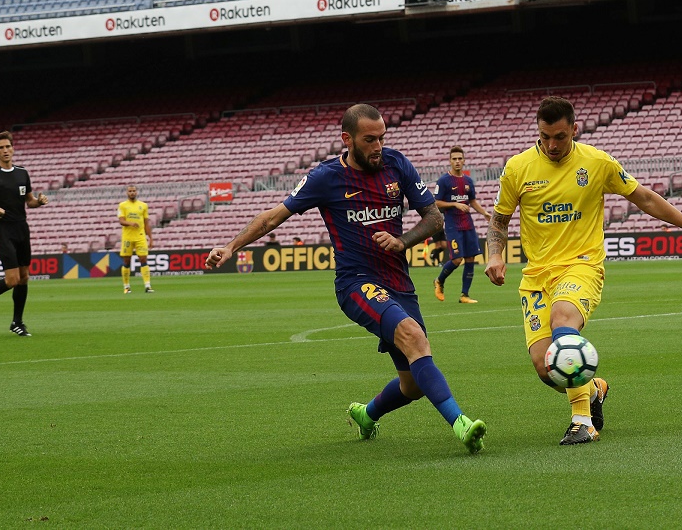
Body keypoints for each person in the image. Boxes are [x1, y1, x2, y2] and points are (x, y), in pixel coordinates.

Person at [205, 103, 486, 453]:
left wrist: (403, 241)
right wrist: (231, 246)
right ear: (347, 139)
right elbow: (273, 217)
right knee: (413, 336)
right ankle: (461, 424)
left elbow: (433, 218)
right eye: (369, 139)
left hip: (399, 283)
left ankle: (366, 414)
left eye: (381, 137)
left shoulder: (398, 165)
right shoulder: (326, 177)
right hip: (356, 282)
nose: (378, 146)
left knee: (413, 384)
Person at [485, 96, 682, 445]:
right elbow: (499, 220)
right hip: (536, 276)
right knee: (546, 368)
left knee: (562, 319)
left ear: (575, 128)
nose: (552, 145)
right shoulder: (517, 168)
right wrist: (494, 254)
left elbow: (644, 197)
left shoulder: (597, 162)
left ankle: (582, 421)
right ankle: (594, 389)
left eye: (560, 136)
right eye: (545, 137)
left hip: (581, 265)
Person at [0, 131, 48, 336]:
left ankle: (17, 322)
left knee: (24, 277)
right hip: (3, 229)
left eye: (8, 147)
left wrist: (38, 202)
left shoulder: (22, 173)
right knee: (12, 279)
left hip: (22, 227)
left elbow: (29, 201)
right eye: (1, 148)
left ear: (13, 148)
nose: (5, 150)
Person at [433, 146, 491, 304]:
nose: (457, 161)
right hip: (453, 225)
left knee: (470, 258)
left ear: (464, 161)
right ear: (450, 161)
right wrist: (455, 204)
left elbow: (472, 201)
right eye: (454, 159)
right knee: (457, 259)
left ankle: (464, 295)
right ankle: (439, 280)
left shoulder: (468, 181)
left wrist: (484, 213)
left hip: (468, 224)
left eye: (460, 159)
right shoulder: (444, 181)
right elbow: (436, 203)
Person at [118, 185, 154, 294]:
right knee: (126, 261)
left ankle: (147, 286)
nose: (132, 193)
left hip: (140, 237)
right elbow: (121, 221)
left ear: (136, 192)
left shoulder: (143, 206)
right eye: (130, 191)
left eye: (134, 191)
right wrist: (130, 223)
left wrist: (150, 238)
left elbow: (146, 223)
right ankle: (126, 286)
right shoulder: (122, 205)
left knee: (143, 259)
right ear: (127, 193)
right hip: (127, 237)